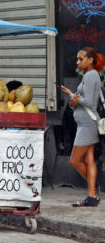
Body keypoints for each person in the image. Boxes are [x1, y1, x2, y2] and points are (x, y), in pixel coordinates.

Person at [60, 46, 105, 207]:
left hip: (87, 125)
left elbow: (88, 102)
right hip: (85, 123)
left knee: (74, 160)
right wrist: (73, 102)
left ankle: (93, 190)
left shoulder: (91, 75)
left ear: (90, 60)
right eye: (77, 59)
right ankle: (92, 196)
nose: (77, 62)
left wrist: (70, 94)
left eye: (81, 59)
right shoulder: (89, 75)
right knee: (88, 159)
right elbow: (80, 103)